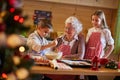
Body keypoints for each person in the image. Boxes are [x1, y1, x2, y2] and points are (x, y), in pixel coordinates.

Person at [46, 16, 85, 80]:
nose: (67, 30)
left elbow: (80, 56)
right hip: (58, 66)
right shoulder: (60, 38)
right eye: (66, 28)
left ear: (75, 29)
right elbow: (50, 50)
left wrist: (64, 57)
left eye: (69, 28)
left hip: (71, 68)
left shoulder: (80, 38)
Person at [84, 10, 114, 80]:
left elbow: (111, 46)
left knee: (92, 76)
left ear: (102, 20)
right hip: (87, 56)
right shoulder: (90, 30)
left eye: (97, 20)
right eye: (93, 20)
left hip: (98, 58)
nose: (94, 22)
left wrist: (104, 57)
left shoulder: (105, 31)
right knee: (86, 75)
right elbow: (86, 43)